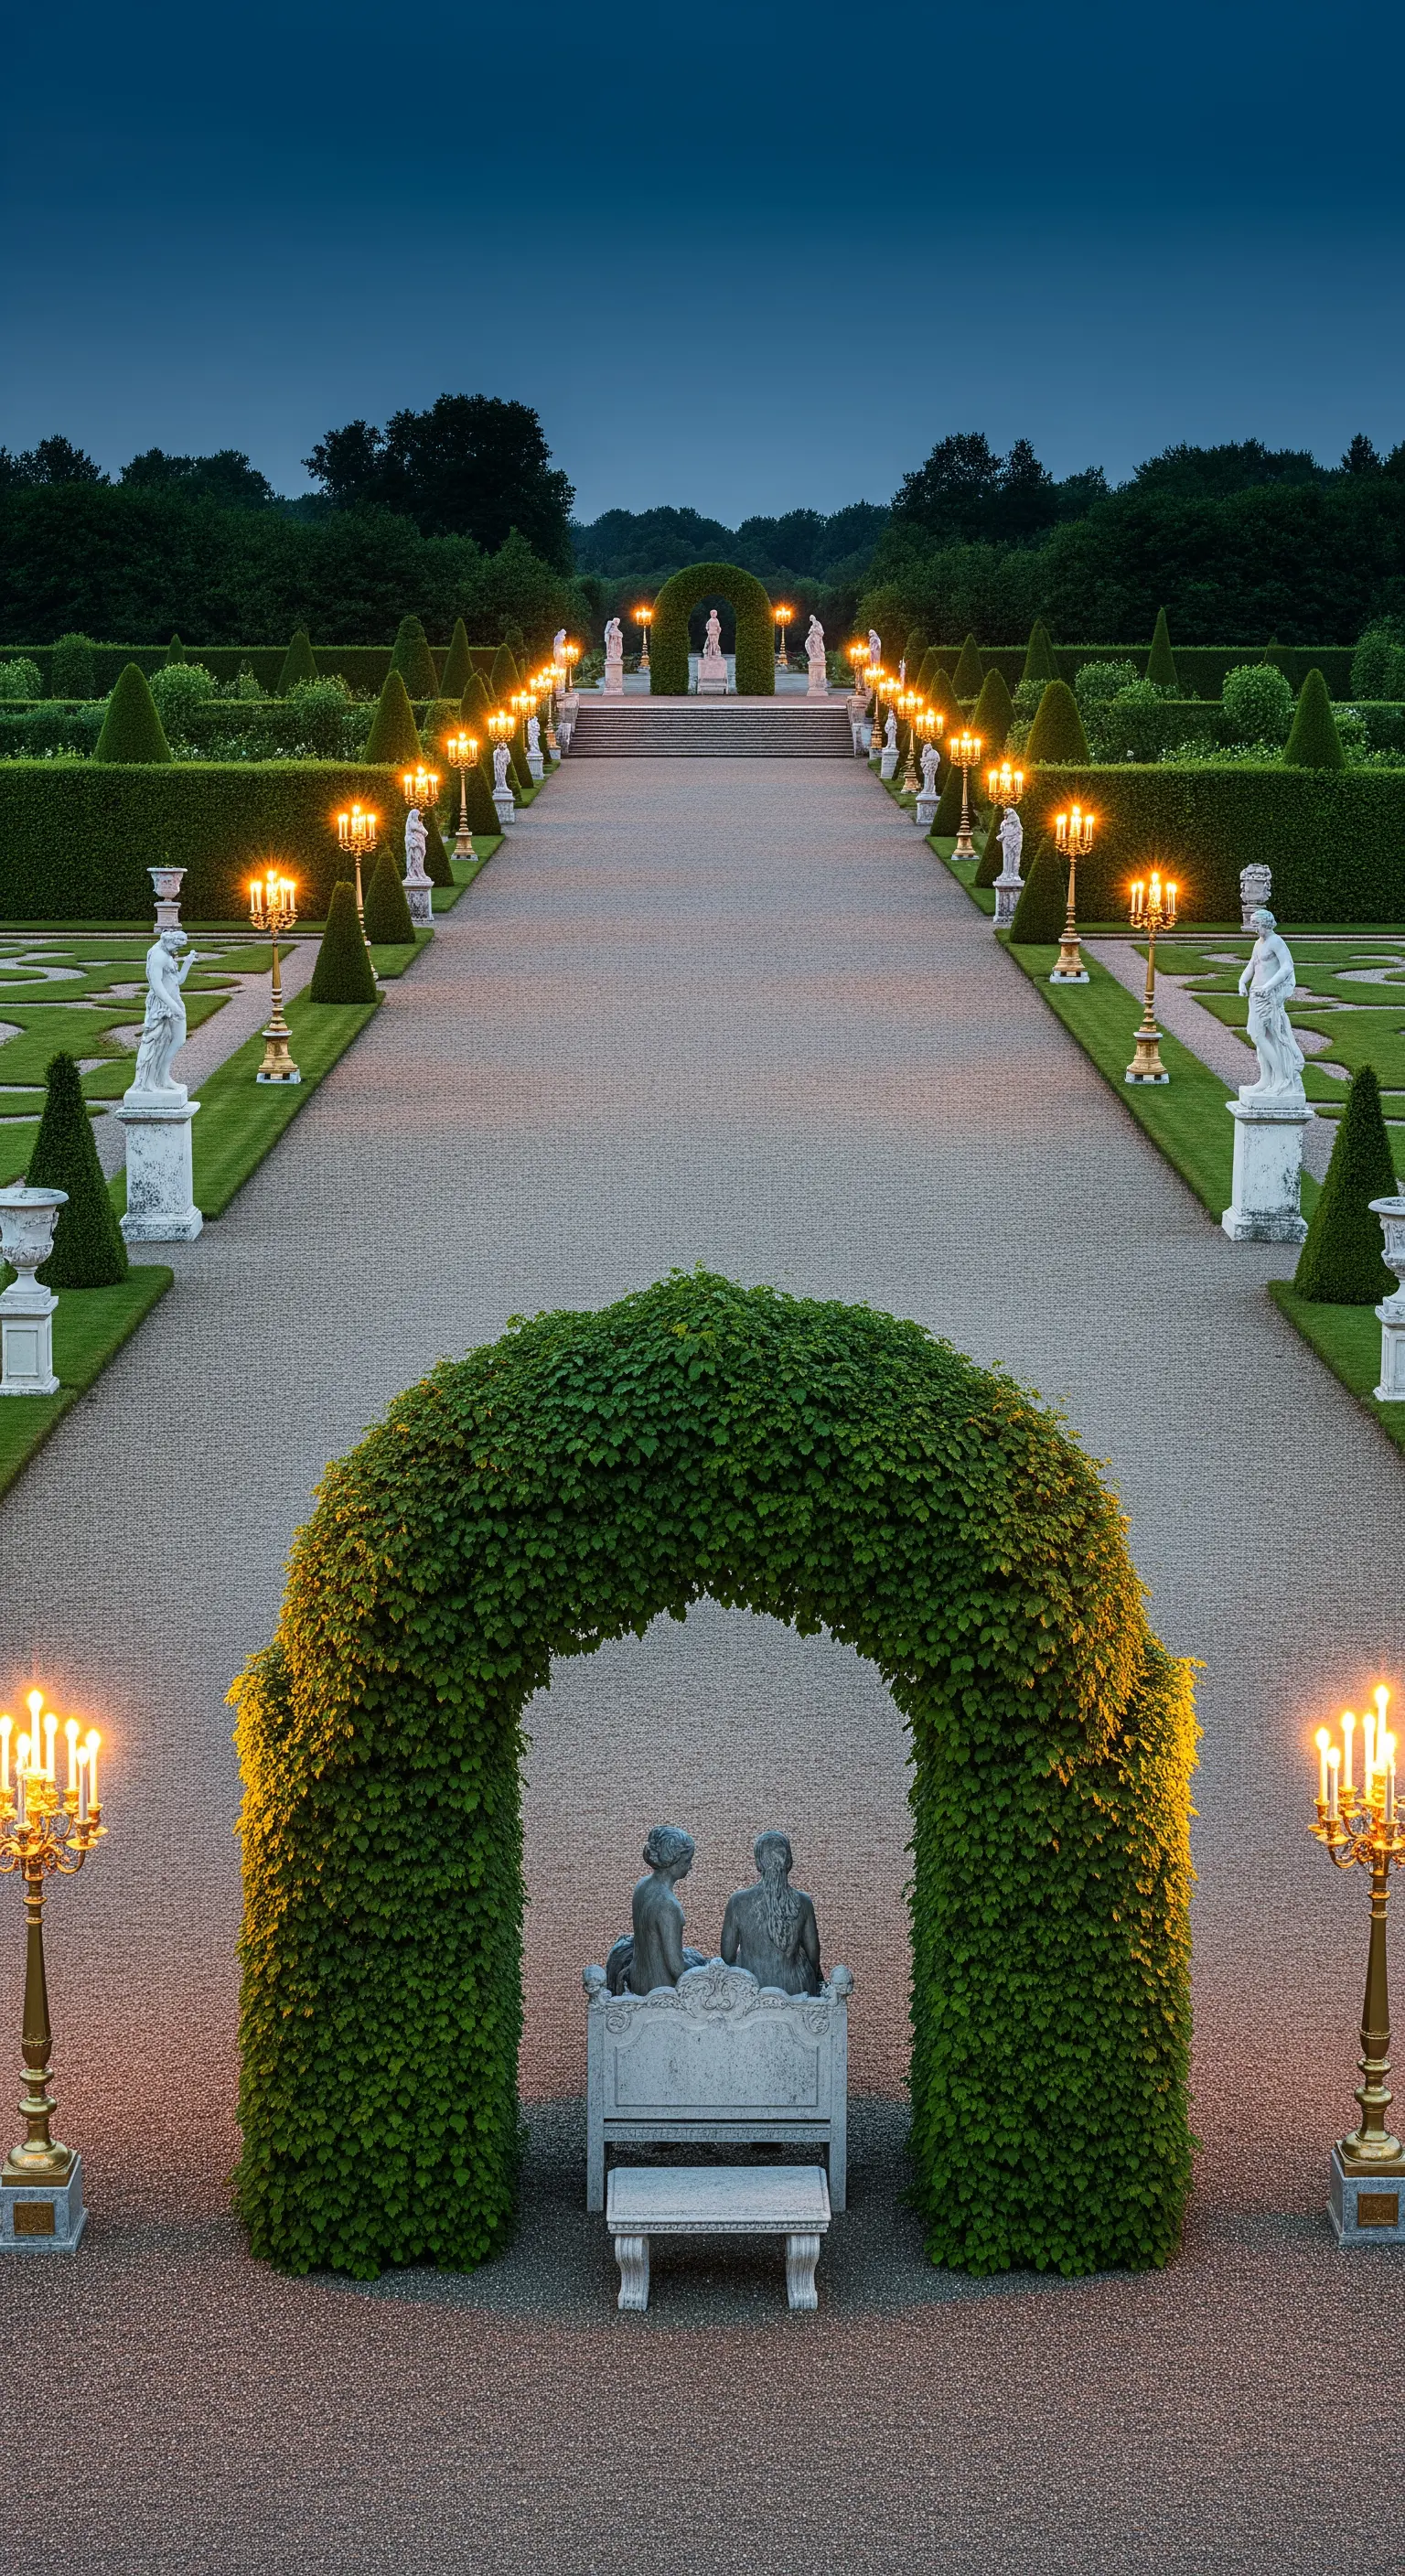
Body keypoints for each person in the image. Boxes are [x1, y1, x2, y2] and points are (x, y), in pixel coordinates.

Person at [721, 1832, 822, 1994]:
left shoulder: (737, 1901)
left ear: (758, 1862)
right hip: (796, 1988)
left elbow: (727, 1957)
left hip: (751, 1989)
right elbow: (813, 1956)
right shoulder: (804, 1902)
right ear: (789, 1861)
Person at [1238, 907, 1305, 1097]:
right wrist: (1242, 981)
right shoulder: (1259, 943)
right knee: (1262, 1038)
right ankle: (1266, 1080)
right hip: (1256, 995)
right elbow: (1252, 964)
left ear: (1266, 924)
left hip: (1267, 997)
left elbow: (1287, 967)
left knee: (1259, 1035)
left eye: (1256, 925)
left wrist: (1268, 987)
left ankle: (1280, 1078)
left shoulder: (1276, 941)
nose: (1254, 929)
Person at [626, 1825, 702, 1993]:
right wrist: (703, 1974)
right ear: (673, 1861)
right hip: (661, 1989)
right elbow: (676, 1968)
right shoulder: (668, 1905)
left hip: (638, 1978)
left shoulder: (642, 1885)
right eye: (687, 1861)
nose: (690, 1866)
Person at [132, 928, 196, 1094]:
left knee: (177, 1040)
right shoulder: (158, 956)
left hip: (174, 1001)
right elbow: (157, 986)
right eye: (177, 947)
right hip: (161, 1006)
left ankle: (163, 1077)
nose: (177, 951)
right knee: (156, 1042)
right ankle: (150, 1081)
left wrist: (188, 962)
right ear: (169, 941)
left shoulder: (166, 953)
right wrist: (173, 1007)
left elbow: (178, 980)